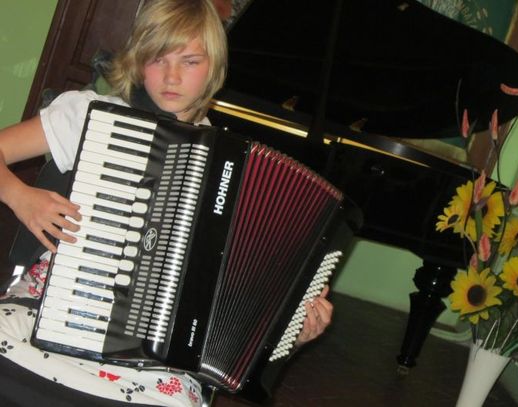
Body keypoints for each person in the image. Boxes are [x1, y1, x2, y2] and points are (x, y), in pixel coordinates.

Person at [0, 0, 333, 405]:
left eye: (190, 61)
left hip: (159, 353)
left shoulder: (231, 166)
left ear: (214, 68)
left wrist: (292, 331)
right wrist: (21, 197)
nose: (172, 77)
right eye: (158, 59)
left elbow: (235, 307)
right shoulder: (89, 113)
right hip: (50, 307)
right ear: (138, 62)